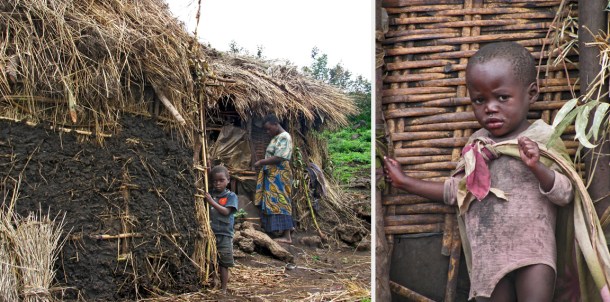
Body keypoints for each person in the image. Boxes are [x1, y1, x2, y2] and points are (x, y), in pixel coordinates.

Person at [384, 42, 575, 301]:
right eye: (479, 100)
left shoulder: (541, 139)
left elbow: (565, 194)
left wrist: (537, 167)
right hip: (489, 255)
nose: (490, 108)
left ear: (531, 93)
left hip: (533, 251)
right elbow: (459, 192)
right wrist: (405, 182)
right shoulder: (477, 145)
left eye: (502, 97)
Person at [254, 114, 294, 244]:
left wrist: (261, 162)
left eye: (269, 128)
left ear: (276, 124)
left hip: (280, 175)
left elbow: (279, 157)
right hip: (273, 175)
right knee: (273, 203)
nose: (267, 131)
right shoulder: (276, 138)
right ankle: (277, 231)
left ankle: (287, 236)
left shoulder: (285, 137)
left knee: (282, 202)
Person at [204, 165, 238, 293]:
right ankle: (214, 281)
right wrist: (208, 171)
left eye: (221, 180)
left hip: (224, 234)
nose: (217, 183)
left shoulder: (231, 196)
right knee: (212, 259)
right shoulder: (210, 193)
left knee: (224, 263)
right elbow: (206, 182)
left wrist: (212, 202)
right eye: (214, 181)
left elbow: (225, 212)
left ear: (228, 180)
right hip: (211, 233)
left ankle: (224, 288)